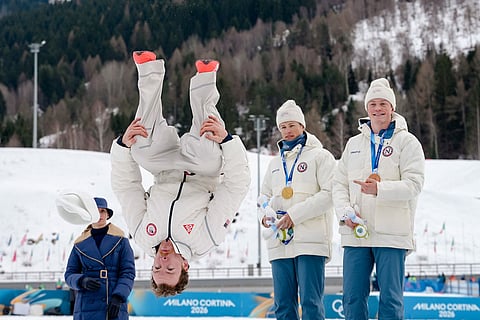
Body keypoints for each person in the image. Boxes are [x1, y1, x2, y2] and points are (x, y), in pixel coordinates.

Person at [110, 51, 250, 297]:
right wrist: (227, 141)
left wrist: (122, 146)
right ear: (185, 266)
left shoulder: (144, 236)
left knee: (140, 147)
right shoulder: (205, 239)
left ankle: (149, 70)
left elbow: (127, 188)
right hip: (202, 171)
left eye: (156, 267)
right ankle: (206, 79)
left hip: (165, 169)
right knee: (208, 147)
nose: (162, 260)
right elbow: (235, 187)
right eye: (169, 267)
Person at [332, 78, 425, 320]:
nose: (377, 108)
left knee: (391, 301)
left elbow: (414, 184)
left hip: (391, 234)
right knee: (352, 299)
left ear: (392, 107)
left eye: (383, 103)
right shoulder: (353, 144)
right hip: (356, 232)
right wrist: (344, 213)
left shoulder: (408, 142)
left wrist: (380, 190)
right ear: (366, 108)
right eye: (372, 103)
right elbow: (339, 184)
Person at [257, 100, 336, 320]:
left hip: (310, 241)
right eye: (283, 127)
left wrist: (295, 215)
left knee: (311, 303)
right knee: (283, 304)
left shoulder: (321, 157)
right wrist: (264, 217)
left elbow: (330, 195)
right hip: (280, 242)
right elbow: (262, 198)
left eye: (292, 125)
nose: (287, 131)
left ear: (302, 125)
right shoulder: (274, 164)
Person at [64, 196, 135, 320]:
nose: (99, 214)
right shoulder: (79, 244)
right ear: (89, 215)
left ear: (107, 215)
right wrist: (81, 280)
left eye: (102, 211)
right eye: (95, 211)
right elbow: (69, 274)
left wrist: (119, 296)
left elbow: (128, 272)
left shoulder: (121, 240)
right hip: (86, 305)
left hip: (113, 301)